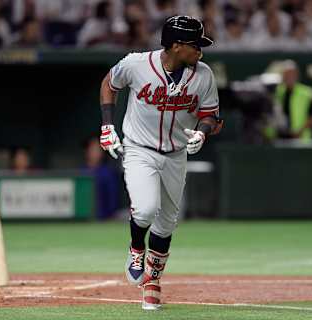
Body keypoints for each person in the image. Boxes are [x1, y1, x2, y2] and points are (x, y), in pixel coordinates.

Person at [98, 15, 221, 310]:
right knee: (145, 209)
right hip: (140, 149)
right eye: (195, 45)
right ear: (177, 46)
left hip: (176, 153)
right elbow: (109, 83)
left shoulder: (204, 75)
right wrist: (106, 126)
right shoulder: (137, 64)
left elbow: (212, 116)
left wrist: (202, 134)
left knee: (166, 223)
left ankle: (152, 282)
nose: (200, 51)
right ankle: (136, 248)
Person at [272, 60, 312, 141]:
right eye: (287, 74)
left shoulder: (306, 93)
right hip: (279, 137)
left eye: (292, 74)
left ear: (296, 75)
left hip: (300, 138)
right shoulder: (277, 92)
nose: (289, 77)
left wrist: (299, 132)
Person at [81, 135, 120, 221]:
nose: (95, 153)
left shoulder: (108, 173)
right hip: (83, 220)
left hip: (105, 219)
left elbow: (112, 200)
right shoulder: (81, 172)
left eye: (97, 149)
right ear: (87, 151)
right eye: (92, 149)